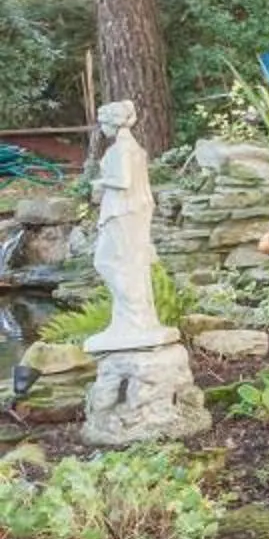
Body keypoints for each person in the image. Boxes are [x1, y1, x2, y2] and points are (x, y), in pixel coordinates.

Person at [83, 99, 177, 352]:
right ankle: (132, 320)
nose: (101, 128)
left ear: (113, 123)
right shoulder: (133, 148)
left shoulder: (121, 150)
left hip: (122, 211)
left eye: (103, 123)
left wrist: (100, 183)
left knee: (109, 262)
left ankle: (134, 317)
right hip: (131, 211)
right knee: (131, 263)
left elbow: (123, 180)